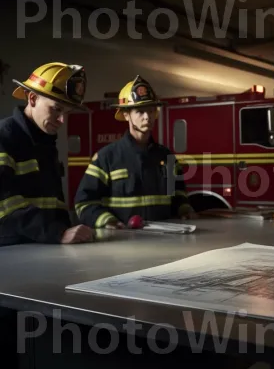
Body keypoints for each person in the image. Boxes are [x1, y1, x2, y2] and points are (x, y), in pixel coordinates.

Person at [74, 75, 197, 229]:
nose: (147, 117)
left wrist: (184, 209)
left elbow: (178, 194)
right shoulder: (106, 157)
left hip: (165, 242)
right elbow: (84, 203)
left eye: (152, 111)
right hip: (122, 244)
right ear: (126, 115)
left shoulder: (167, 157)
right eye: (140, 111)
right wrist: (106, 221)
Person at [0, 62, 95, 245]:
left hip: (42, 248)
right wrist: (58, 232)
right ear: (33, 99)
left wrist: (68, 231)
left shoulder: (46, 144)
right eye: (57, 109)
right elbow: (4, 203)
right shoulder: (4, 137)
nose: (62, 120)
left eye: (67, 113)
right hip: (9, 254)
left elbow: (55, 205)